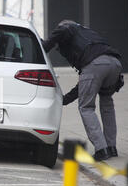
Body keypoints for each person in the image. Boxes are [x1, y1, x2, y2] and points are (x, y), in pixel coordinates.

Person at [42, 20, 123, 161]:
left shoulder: (69, 28)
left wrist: (45, 46)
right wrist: (65, 99)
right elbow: (85, 85)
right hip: (115, 63)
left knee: (86, 107)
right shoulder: (89, 33)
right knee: (107, 104)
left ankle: (101, 149)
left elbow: (63, 29)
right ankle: (111, 147)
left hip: (96, 65)